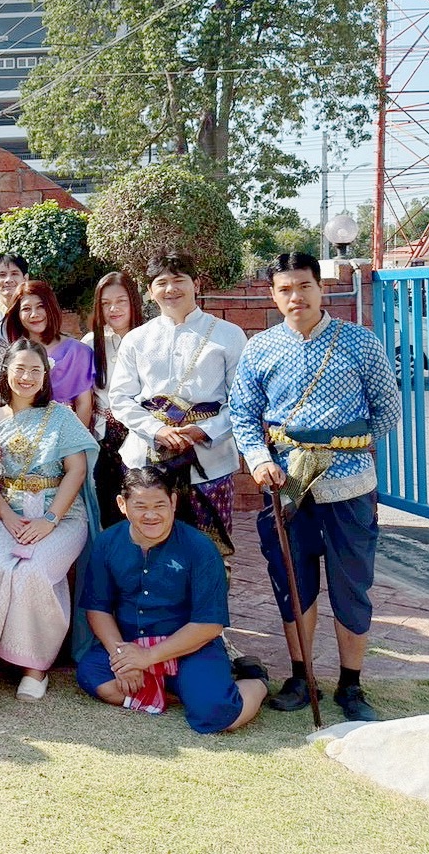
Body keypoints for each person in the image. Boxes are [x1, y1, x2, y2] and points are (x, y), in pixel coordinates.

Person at [231, 252, 400, 722]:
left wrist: (344, 449)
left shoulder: (360, 343)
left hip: (349, 486)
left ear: (319, 288)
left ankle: (351, 685)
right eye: (284, 289)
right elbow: (244, 414)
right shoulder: (259, 348)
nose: (295, 297)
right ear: (273, 295)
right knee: (292, 582)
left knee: (351, 585)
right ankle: (302, 676)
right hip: (284, 488)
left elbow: (387, 408)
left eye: (303, 286)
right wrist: (262, 460)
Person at [77, 467, 268, 733]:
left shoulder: (200, 549)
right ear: (122, 505)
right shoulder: (108, 542)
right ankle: (181, 689)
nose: (151, 515)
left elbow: (209, 626)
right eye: (140, 506)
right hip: (130, 642)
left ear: (174, 503)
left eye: (159, 505)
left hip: (189, 647)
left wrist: (148, 657)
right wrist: (123, 657)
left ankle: (256, 681)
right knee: (94, 677)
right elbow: (97, 608)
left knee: (217, 715)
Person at [0, 339, 99, 700]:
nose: (26, 377)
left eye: (35, 370)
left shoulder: (61, 416)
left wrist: (51, 519)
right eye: (20, 368)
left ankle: (35, 666)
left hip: (62, 514)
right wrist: (7, 516)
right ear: (6, 371)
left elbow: (76, 469)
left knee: (35, 570)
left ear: (45, 376)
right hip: (7, 512)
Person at [109, 252, 246, 564]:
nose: (170, 289)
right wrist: (157, 430)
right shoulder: (137, 339)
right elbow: (120, 398)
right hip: (146, 457)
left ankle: (207, 610)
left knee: (209, 550)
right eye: (161, 282)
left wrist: (204, 430)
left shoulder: (228, 334)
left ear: (195, 283)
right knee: (148, 543)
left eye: (179, 280)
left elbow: (241, 401)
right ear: (150, 290)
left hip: (210, 461)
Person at [84, 271, 146, 528]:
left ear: (134, 301)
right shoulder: (91, 342)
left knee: (142, 502)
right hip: (104, 438)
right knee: (109, 509)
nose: (114, 309)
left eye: (121, 301)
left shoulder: (149, 338)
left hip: (142, 435)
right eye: (106, 303)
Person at [6, 280, 95, 428]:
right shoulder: (13, 353)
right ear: (18, 314)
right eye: (26, 308)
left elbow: (84, 404)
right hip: (23, 435)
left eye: (40, 306)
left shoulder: (78, 352)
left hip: (67, 433)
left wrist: (74, 444)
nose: (34, 314)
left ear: (51, 307)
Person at [0, 253, 29, 333]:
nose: (8, 280)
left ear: (25, 278)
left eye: (14, 274)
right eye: (2, 275)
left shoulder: (34, 314)